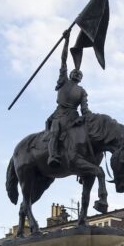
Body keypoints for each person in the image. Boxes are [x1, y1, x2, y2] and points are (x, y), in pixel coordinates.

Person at [47, 28, 91, 168]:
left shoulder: (81, 91)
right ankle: (52, 155)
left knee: (83, 136)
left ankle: (56, 156)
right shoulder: (65, 81)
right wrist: (66, 41)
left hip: (70, 117)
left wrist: (85, 118)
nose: (77, 74)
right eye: (75, 72)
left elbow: (85, 110)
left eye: (79, 74)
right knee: (54, 131)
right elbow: (63, 59)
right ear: (71, 74)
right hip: (61, 115)